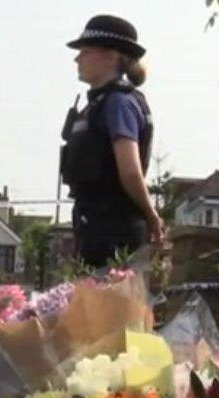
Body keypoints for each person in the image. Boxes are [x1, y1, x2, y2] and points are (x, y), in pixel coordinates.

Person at [61, 14, 164, 268]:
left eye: (85, 51)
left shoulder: (119, 103)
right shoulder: (98, 104)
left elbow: (130, 171)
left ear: (110, 56)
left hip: (115, 231)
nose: (77, 58)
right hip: (94, 225)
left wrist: (152, 217)